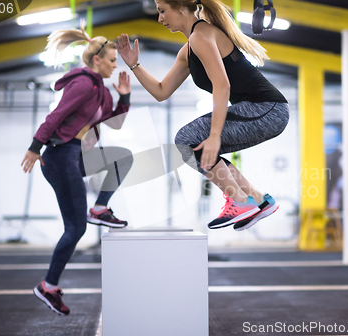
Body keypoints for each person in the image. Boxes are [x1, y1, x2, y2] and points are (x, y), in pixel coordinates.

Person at [117, 0, 289, 231]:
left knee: (187, 140)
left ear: (179, 7)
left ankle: (238, 200)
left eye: (162, 10)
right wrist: (134, 64)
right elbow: (161, 91)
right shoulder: (188, 50)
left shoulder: (202, 35)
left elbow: (222, 85)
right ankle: (258, 199)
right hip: (264, 111)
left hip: (268, 108)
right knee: (197, 149)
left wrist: (215, 135)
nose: (159, 18)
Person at [21, 21, 133, 315]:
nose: (114, 66)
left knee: (122, 157)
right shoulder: (83, 84)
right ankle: (48, 286)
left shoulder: (102, 92)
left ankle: (99, 209)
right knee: (75, 228)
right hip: (58, 157)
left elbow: (115, 122)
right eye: (111, 61)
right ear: (97, 60)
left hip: (75, 156)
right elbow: (56, 116)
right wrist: (35, 147)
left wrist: (123, 96)